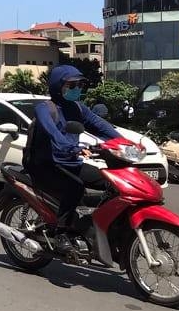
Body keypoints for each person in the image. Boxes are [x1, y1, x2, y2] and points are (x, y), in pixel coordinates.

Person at [25, 65, 119, 239]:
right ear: (57, 86)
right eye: (72, 85)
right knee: (75, 186)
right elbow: (53, 133)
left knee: (112, 183)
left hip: (70, 163)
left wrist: (125, 143)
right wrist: (72, 147)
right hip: (46, 164)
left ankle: (91, 223)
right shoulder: (45, 109)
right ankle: (61, 231)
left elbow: (101, 126)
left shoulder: (78, 108)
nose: (77, 89)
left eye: (79, 85)